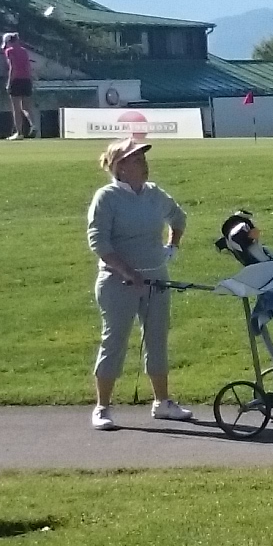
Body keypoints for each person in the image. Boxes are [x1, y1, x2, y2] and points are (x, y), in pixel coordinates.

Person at [86, 135, 189, 427]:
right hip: (117, 282)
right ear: (120, 166)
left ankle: (162, 402)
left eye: (143, 158)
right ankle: (102, 408)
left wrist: (172, 247)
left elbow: (178, 218)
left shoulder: (154, 193)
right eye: (136, 159)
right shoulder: (106, 197)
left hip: (156, 278)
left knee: (157, 339)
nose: (144, 163)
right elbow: (99, 243)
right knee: (114, 341)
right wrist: (129, 274)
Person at [0, 21, 37, 136]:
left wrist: (9, 83)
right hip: (26, 80)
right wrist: (30, 79)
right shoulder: (24, 51)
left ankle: (19, 133)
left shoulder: (9, 51)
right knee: (26, 106)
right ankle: (34, 125)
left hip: (16, 80)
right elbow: (28, 67)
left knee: (16, 108)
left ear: (8, 42)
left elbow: (13, 67)